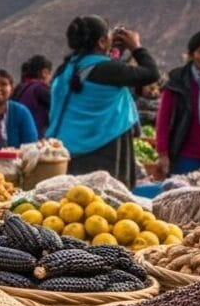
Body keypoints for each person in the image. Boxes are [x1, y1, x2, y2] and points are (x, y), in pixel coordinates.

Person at [48, 17, 159, 189]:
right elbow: (151, 73)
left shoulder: (64, 70)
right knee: (106, 205)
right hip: (103, 150)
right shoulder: (108, 70)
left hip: (65, 151)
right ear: (101, 42)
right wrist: (136, 47)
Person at [154, 30, 200, 178]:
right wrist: (163, 154)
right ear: (191, 55)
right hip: (184, 158)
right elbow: (163, 120)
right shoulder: (177, 83)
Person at [12, 55, 53, 138]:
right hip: (36, 137)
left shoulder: (20, 88)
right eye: (50, 74)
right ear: (44, 72)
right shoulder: (40, 88)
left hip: (20, 135)